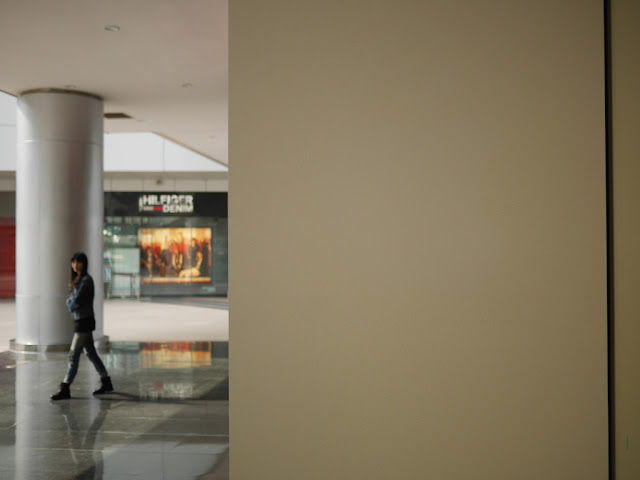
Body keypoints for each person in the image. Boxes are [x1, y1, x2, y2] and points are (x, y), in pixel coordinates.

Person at [51, 252, 114, 400]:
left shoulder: (86, 281)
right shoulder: (77, 280)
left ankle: (65, 387)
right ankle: (106, 381)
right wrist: (71, 302)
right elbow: (72, 302)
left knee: (73, 355)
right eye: (73, 262)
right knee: (91, 353)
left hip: (84, 322)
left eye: (79, 262)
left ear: (84, 264)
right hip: (82, 321)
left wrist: (70, 302)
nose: (75, 265)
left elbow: (75, 302)